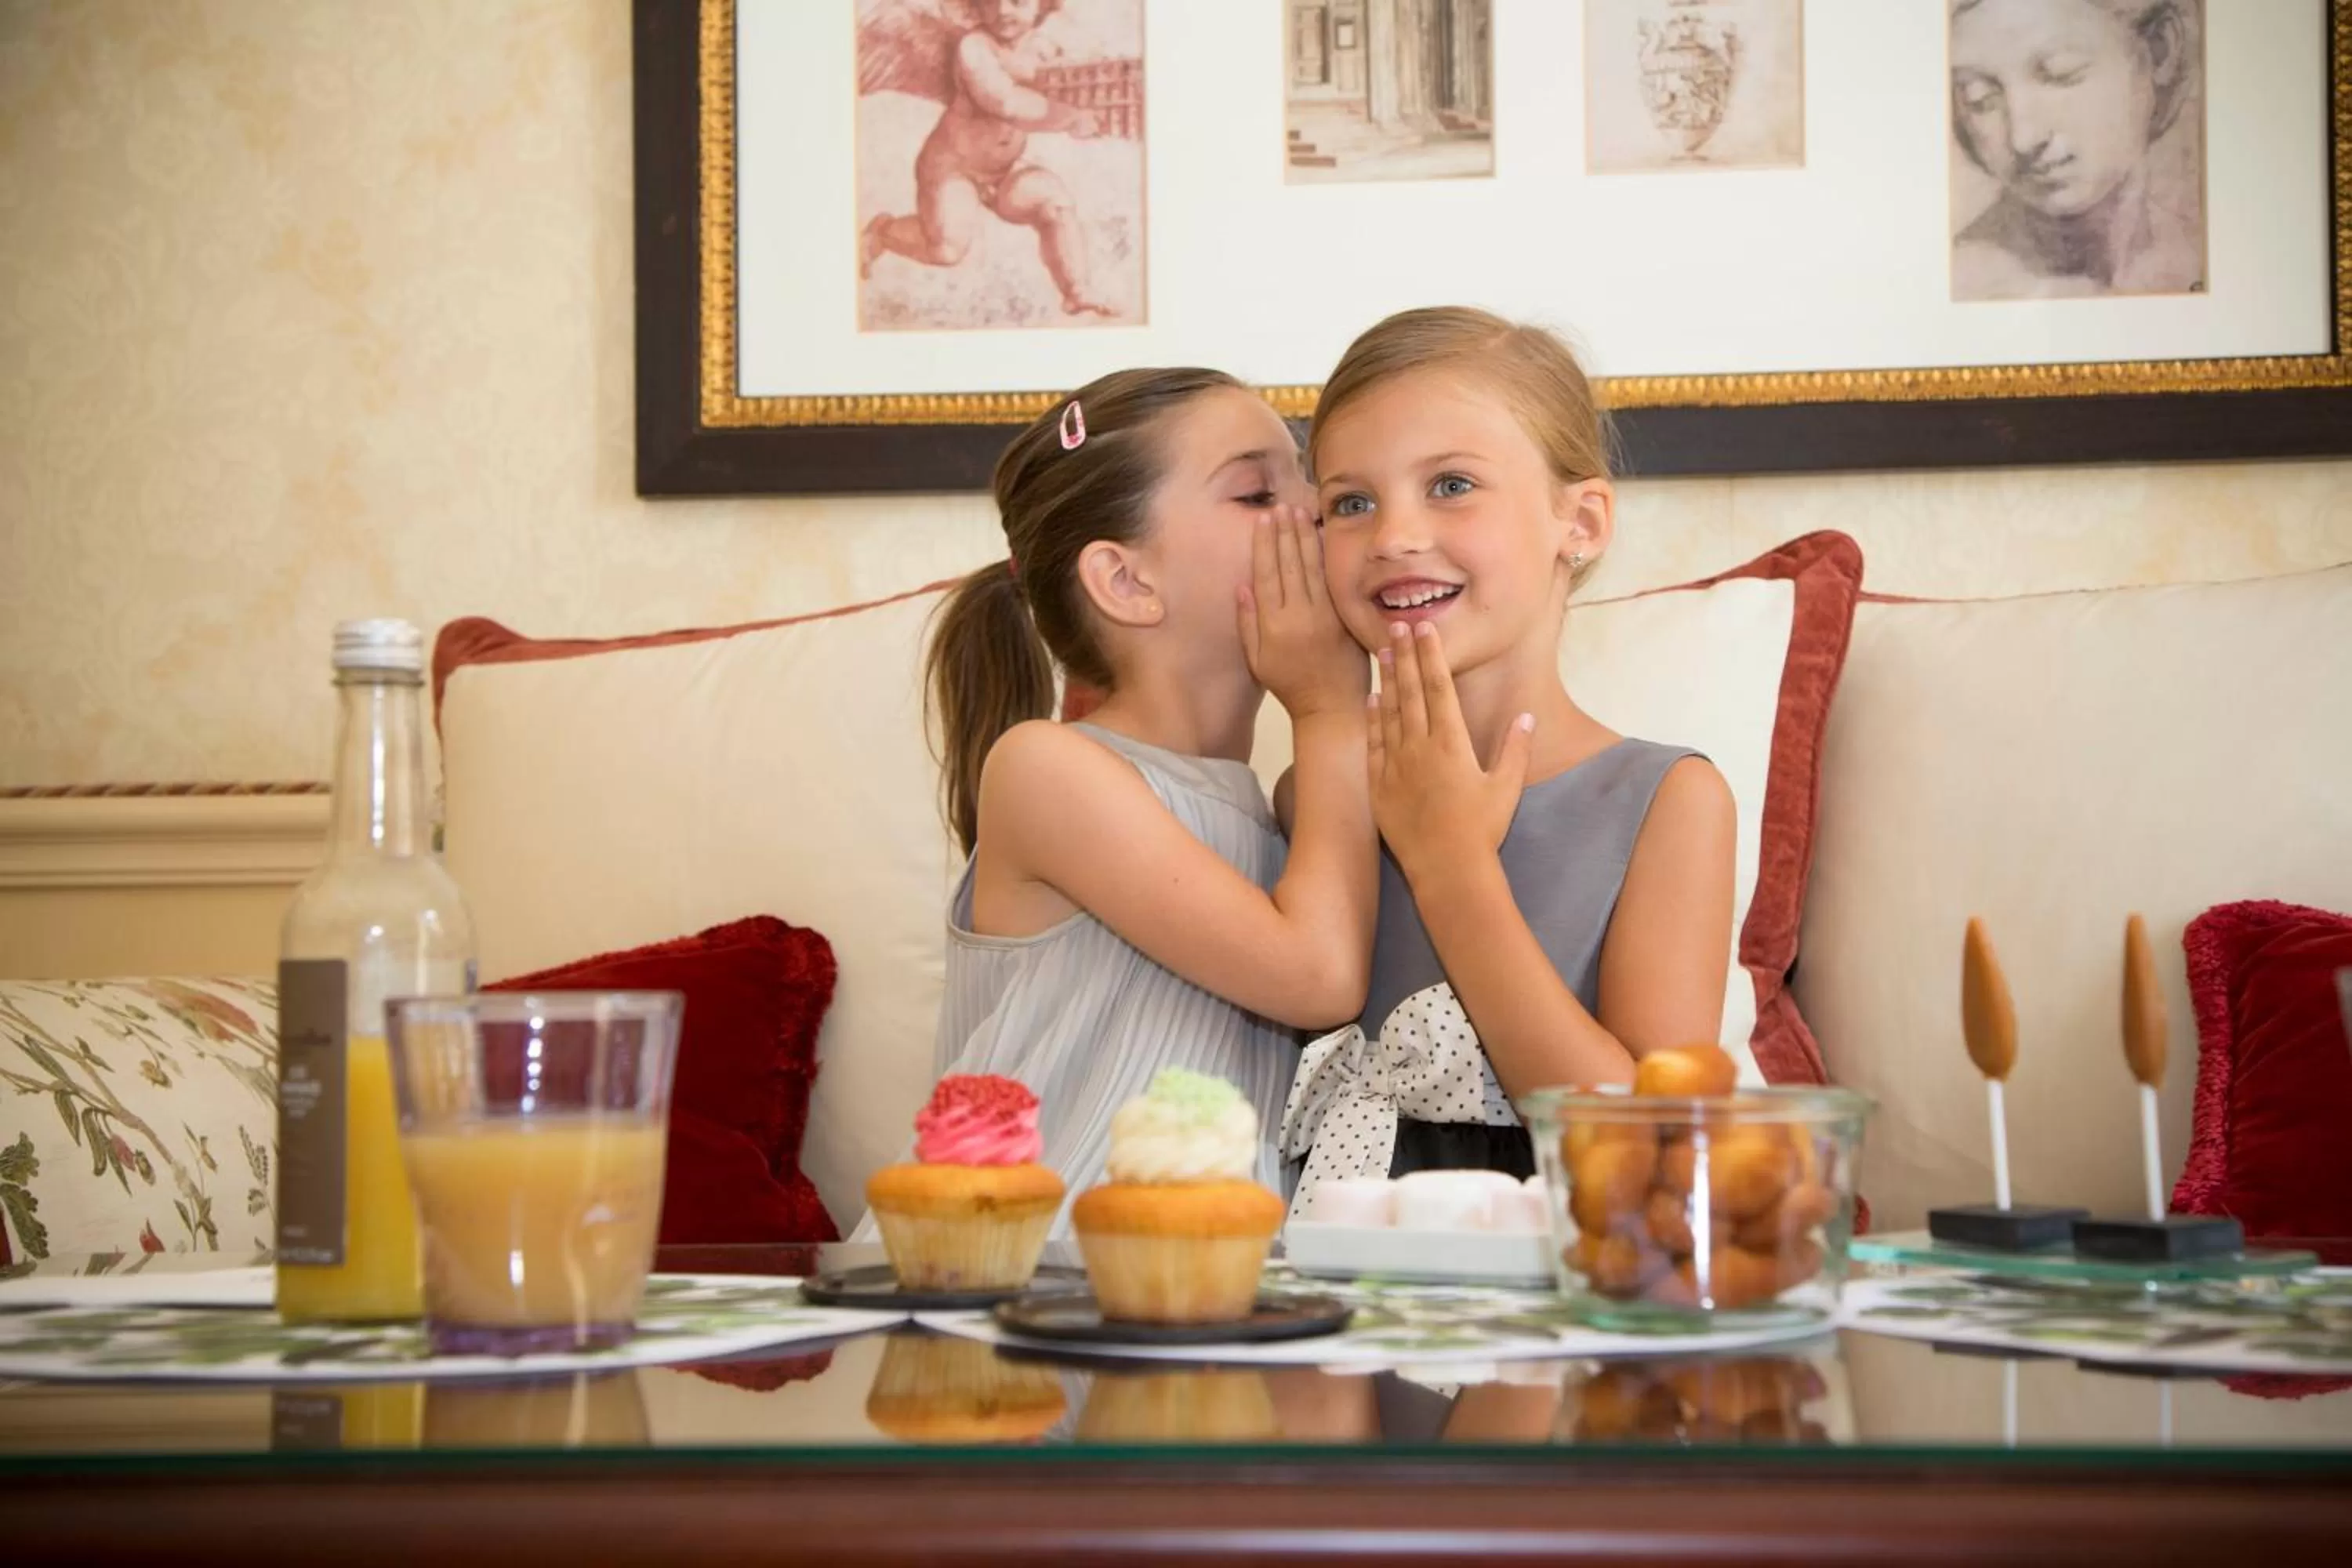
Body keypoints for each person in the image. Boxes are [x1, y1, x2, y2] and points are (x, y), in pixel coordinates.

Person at [865, 366, 1376, 1236]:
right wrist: (1329, 706)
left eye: (1309, 474)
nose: (1314, 509)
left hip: (1209, 1289)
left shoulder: (1300, 811)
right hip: (1027, 1280)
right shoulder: (1046, 770)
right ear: (1128, 582)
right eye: (1259, 491)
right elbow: (1318, 975)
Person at [1280, 307, 1738, 1189]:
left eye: (1451, 484)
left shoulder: (1666, 802)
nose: (1394, 536)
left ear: (1583, 522)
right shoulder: (1317, 792)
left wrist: (1450, 863)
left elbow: (1648, 1157)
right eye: (1350, 502)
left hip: (1548, 1277)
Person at [860, 0, 1113, 317]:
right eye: (991, 3)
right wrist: (1071, 118)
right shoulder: (974, 48)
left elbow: (1072, 79)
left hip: (1004, 171)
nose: (1003, 11)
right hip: (953, 169)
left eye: (1018, 1)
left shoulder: (1044, 47)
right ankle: (882, 232)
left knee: (1056, 204)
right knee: (947, 250)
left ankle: (1077, 291)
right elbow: (1006, 103)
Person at [1948, 0, 2203, 299]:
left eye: (2061, 74)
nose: (2024, 138)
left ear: (2160, 50)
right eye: (1979, 97)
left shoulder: (2194, 251)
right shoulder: (1970, 281)